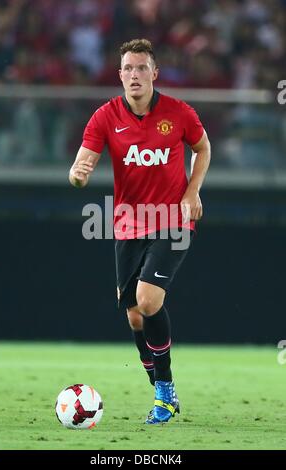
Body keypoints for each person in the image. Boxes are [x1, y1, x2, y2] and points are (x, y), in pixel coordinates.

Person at [69, 39, 211, 424]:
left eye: (141, 68)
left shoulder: (178, 113)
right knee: (134, 316)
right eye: (128, 68)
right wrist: (77, 173)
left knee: (148, 301)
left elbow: (202, 147)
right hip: (129, 224)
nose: (134, 75)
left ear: (154, 73)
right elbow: (84, 158)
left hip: (173, 220)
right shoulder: (105, 116)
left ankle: (164, 393)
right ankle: (161, 383)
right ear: (120, 75)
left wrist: (192, 190)